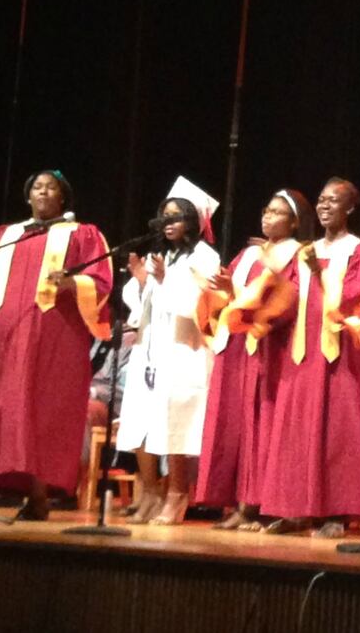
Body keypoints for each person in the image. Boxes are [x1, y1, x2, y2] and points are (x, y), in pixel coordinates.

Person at [0, 170, 113, 520]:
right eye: (36, 187)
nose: (42, 192)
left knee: (42, 411)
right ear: (28, 197)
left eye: (50, 188)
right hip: (0, 338)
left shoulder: (83, 234)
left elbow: (101, 282)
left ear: (62, 198)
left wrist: (73, 282)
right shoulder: (3, 235)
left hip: (53, 339)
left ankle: (39, 497)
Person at [261, 178, 360, 538]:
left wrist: (320, 273)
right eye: (322, 200)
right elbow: (290, 293)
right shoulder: (305, 251)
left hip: (338, 352)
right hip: (302, 350)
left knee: (338, 427)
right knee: (296, 425)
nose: (325, 206)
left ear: (349, 209)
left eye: (334, 201)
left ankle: (338, 512)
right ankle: (295, 508)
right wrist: (261, 310)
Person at [194, 189, 313, 531]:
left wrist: (255, 306)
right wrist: (224, 290)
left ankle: (261, 504)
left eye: (277, 213)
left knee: (264, 426)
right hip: (240, 347)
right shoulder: (249, 254)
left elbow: (291, 300)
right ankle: (242, 504)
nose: (268, 217)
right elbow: (233, 297)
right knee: (241, 425)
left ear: (294, 221)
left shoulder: (298, 254)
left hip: (271, 348)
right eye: (266, 210)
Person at [115, 177, 222, 526]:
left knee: (176, 423)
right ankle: (151, 491)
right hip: (150, 347)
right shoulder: (160, 255)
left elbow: (197, 305)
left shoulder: (206, 256)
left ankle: (178, 493)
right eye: (165, 216)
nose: (169, 223)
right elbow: (136, 299)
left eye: (177, 216)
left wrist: (162, 281)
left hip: (183, 349)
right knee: (139, 421)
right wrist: (144, 281)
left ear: (194, 221)